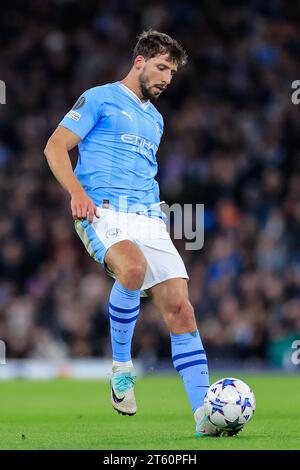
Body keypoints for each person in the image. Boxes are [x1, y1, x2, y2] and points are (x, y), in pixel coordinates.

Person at [44, 30, 221, 437]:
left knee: (181, 309)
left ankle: (204, 417)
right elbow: (55, 146)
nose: (166, 78)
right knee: (133, 267)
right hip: (102, 211)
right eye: (161, 68)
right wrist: (77, 193)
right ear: (139, 62)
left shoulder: (156, 119)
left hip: (149, 217)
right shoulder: (100, 97)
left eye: (172, 73)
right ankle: (122, 370)